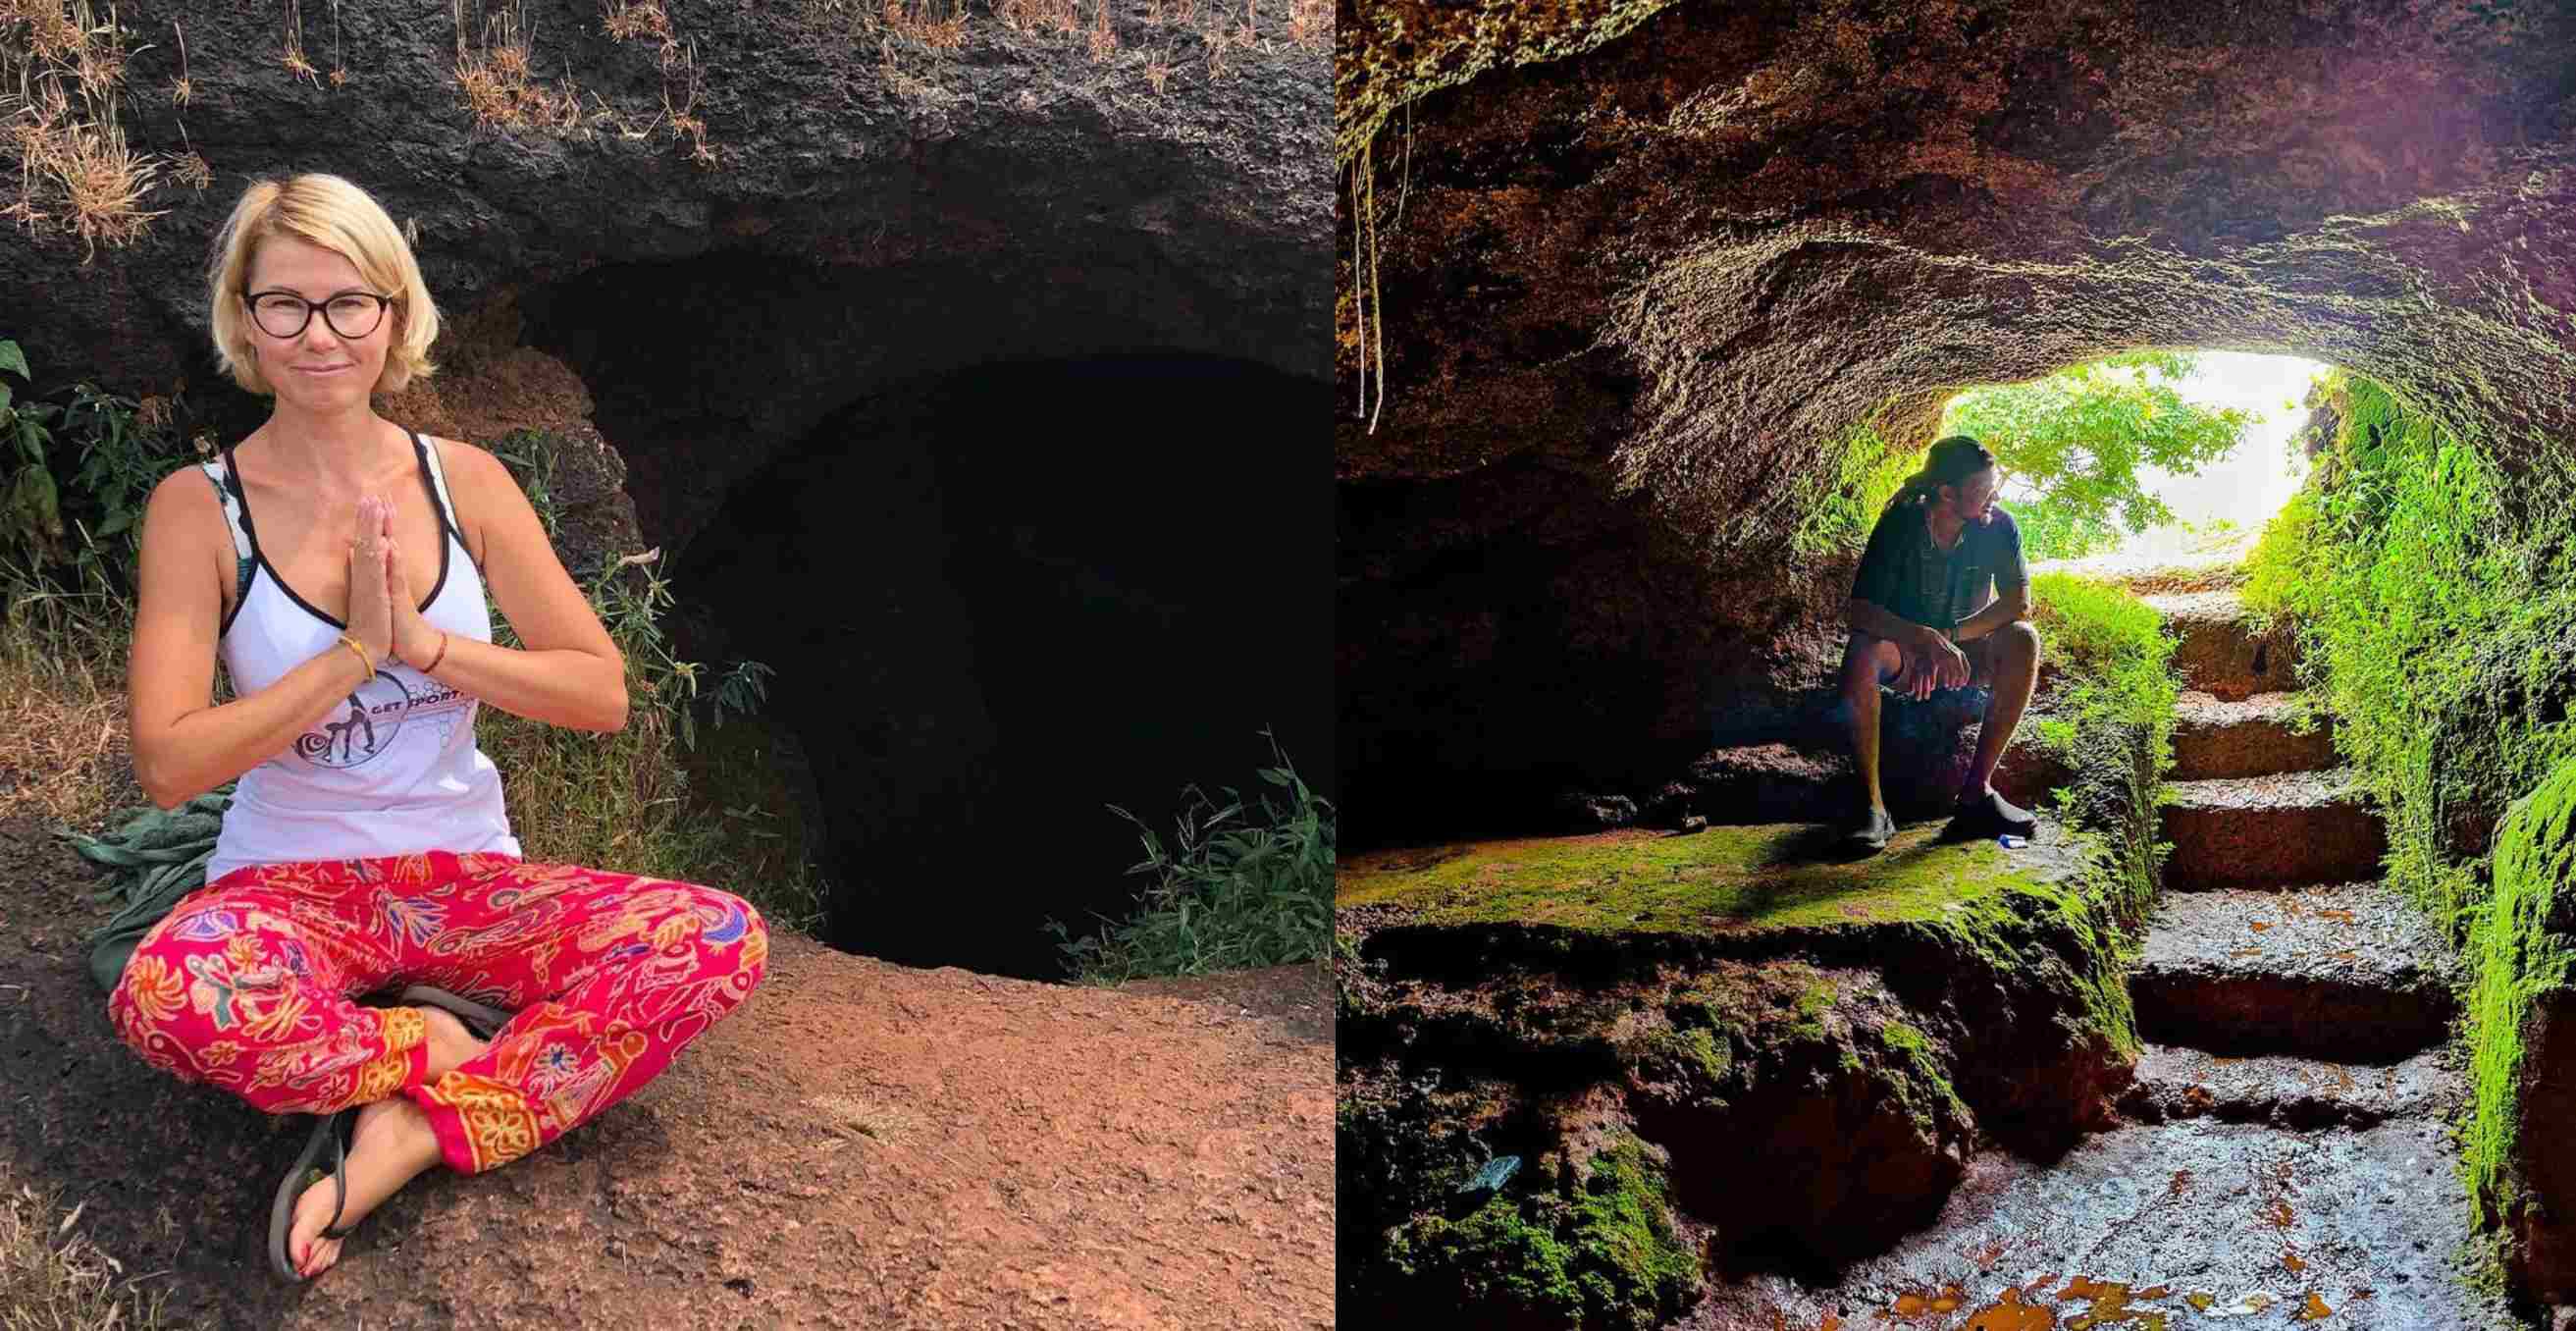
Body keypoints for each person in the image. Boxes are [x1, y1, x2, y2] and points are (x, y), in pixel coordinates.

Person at [106, 173, 770, 1282]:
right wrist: (352, 655)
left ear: (396, 315)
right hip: (289, 885)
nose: (320, 335)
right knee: (168, 997)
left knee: (715, 939)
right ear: (245, 320)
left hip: (467, 880)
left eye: (349, 302)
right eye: (286, 305)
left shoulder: (464, 482)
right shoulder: (198, 507)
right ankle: (428, 1038)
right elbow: (170, 763)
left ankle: (421, 1123)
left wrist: (423, 646)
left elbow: (599, 693)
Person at [1838, 434, 2043, 852]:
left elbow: (2017, 604)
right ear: (1947, 494)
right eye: (1984, 490)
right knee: (1862, 652)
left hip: (1964, 651)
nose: (1994, 496)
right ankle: (1872, 807)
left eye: (1994, 486)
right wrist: (1921, 638)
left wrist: (1948, 638)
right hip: (1906, 652)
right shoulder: (1901, 524)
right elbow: (1860, 612)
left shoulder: (1999, 526)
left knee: (2023, 639)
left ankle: (1977, 794)